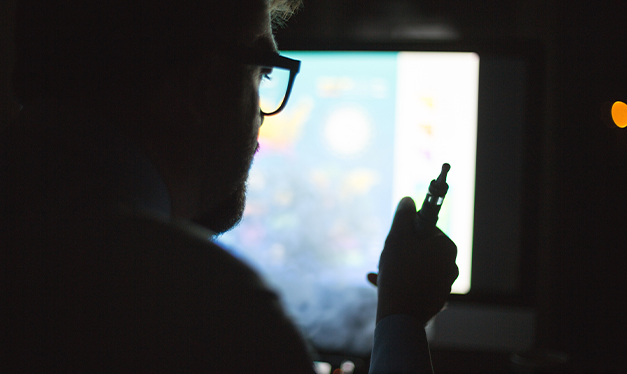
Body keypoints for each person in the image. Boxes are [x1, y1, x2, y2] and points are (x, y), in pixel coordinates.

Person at [1, 0, 459, 372]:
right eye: (263, 73)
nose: (261, 116)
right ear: (206, 86)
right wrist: (401, 319)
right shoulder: (214, 315)